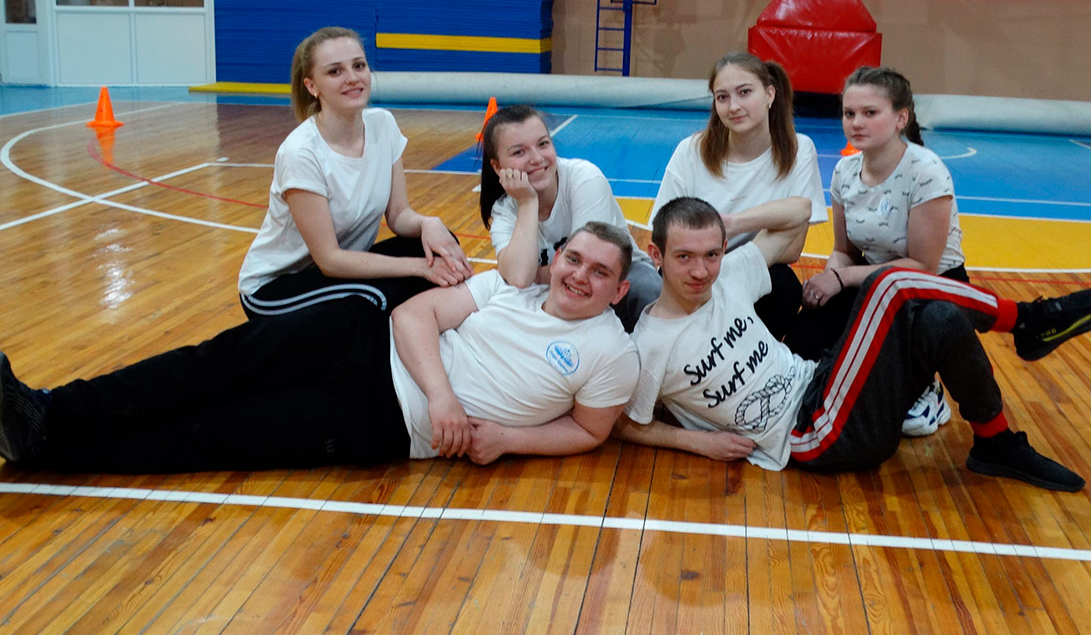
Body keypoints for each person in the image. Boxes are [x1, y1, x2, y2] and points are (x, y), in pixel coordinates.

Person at [0, 223, 640, 474]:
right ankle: (47, 410)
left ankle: (45, 451)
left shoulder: (611, 353)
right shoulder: (512, 286)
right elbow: (414, 315)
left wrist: (505, 440)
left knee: (218, 434)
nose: (578, 276)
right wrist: (443, 395)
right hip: (359, 338)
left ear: (617, 291)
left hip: (384, 421)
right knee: (209, 365)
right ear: (558, 258)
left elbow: (590, 431)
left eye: (599, 272)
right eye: (573, 259)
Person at [614, 197, 1091, 492]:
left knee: (939, 319)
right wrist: (698, 443)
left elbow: (798, 213)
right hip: (811, 435)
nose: (701, 270)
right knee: (890, 284)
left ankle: (996, 443)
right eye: (684, 257)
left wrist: (731, 224)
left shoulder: (730, 277)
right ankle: (1025, 321)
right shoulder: (649, 345)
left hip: (824, 384)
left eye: (711, 253)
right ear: (656, 255)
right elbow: (622, 423)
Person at [238, 26, 472, 319]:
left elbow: (398, 214)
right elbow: (330, 260)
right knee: (375, 298)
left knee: (440, 246)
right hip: (277, 288)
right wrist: (419, 269)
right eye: (335, 71)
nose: (352, 77)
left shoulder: (383, 124)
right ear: (312, 86)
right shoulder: (301, 152)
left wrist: (429, 224)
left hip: (340, 272)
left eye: (358, 66)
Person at [796, 66, 967, 437]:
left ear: (900, 118)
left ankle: (926, 389)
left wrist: (841, 277)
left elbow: (923, 264)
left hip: (930, 287)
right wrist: (829, 281)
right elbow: (843, 250)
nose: (856, 122)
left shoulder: (926, 171)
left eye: (870, 112)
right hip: (871, 279)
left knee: (882, 402)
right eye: (849, 113)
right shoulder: (844, 171)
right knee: (803, 348)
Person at [650, 51, 827, 338]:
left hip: (760, 270)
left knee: (783, 285)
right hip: (696, 266)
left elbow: (794, 243)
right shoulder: (691, 151)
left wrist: (731, 224)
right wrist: (713, 261)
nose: (733, 106)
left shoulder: (798, 149)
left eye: (744, 92)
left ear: (769, 94)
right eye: (722, 97)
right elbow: (666, 234)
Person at [480, 104, 661, 332]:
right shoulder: (505, 209)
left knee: (646, 287)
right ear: (498, 167)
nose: (536, 158)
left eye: (543, 144)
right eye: (519, 152)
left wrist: (537, 274)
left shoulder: (584, 179)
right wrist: (528, 203)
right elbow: (520, 277)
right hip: (560, 288)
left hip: (614, 277)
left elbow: (590, 266)